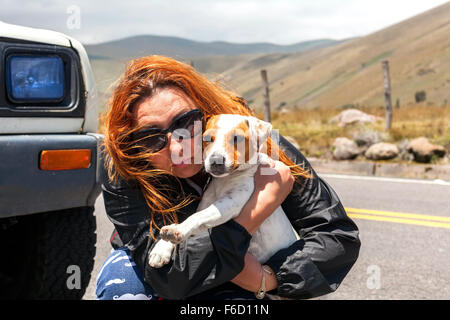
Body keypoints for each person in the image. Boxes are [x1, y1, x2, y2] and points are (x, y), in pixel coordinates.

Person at [95, 55, 361, 300]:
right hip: (172, 270)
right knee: (126, 289)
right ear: (133, 145)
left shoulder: (258, 144)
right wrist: (254, 211)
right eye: (151, 138)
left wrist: (269, 278)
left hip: (251, 273)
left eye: (187, 123)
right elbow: (170, 279)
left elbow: (336, 237)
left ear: (206, 112)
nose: (178, 148)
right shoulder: (123, 169)